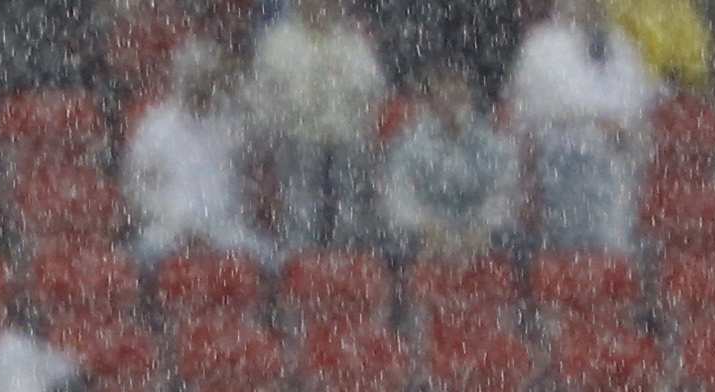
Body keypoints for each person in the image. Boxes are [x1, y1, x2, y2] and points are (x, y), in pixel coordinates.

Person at [507, 0, 658, 252]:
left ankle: (610, 262)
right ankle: (572, 256)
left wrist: (619, 127)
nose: (593, 6)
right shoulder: (541, 45)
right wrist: (593, 122)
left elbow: (638, 104)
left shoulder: (622, 46)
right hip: (559, 152)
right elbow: (536, 109)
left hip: (617, 157)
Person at [246, 0, 388, 251]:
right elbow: (267, 98)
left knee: (354, 159)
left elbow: (372, 90)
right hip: (295, 134)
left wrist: (336, 90)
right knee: (303, 159)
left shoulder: (353, 44)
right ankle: (301, 249)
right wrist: (312, 95)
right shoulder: (278, 42)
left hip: (345, 135)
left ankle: (348, 248)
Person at [123, 39, 266, 263]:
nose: (199, 86)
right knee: (138, 261)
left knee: (270, 262)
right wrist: (175, 221)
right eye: (194, 78)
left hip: (223, 228)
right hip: (169, 229)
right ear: (180, 79)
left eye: (206, 78)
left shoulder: (232, 126)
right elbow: (138, 188)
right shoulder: (154, 128)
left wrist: (211, 227)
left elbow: (245, 183)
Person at [380, 60, 521, 257]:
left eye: (457, 87)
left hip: (480, 234)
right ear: (430, 99)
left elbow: (505, 192)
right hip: (424, 235)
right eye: (443, 88)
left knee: (519, 244)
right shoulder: (408, 144)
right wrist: (425, 226)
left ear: (470, 95)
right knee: (392, 246)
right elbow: (398, 196)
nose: (450, 98)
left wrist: (483, 226)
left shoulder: (493, 143)